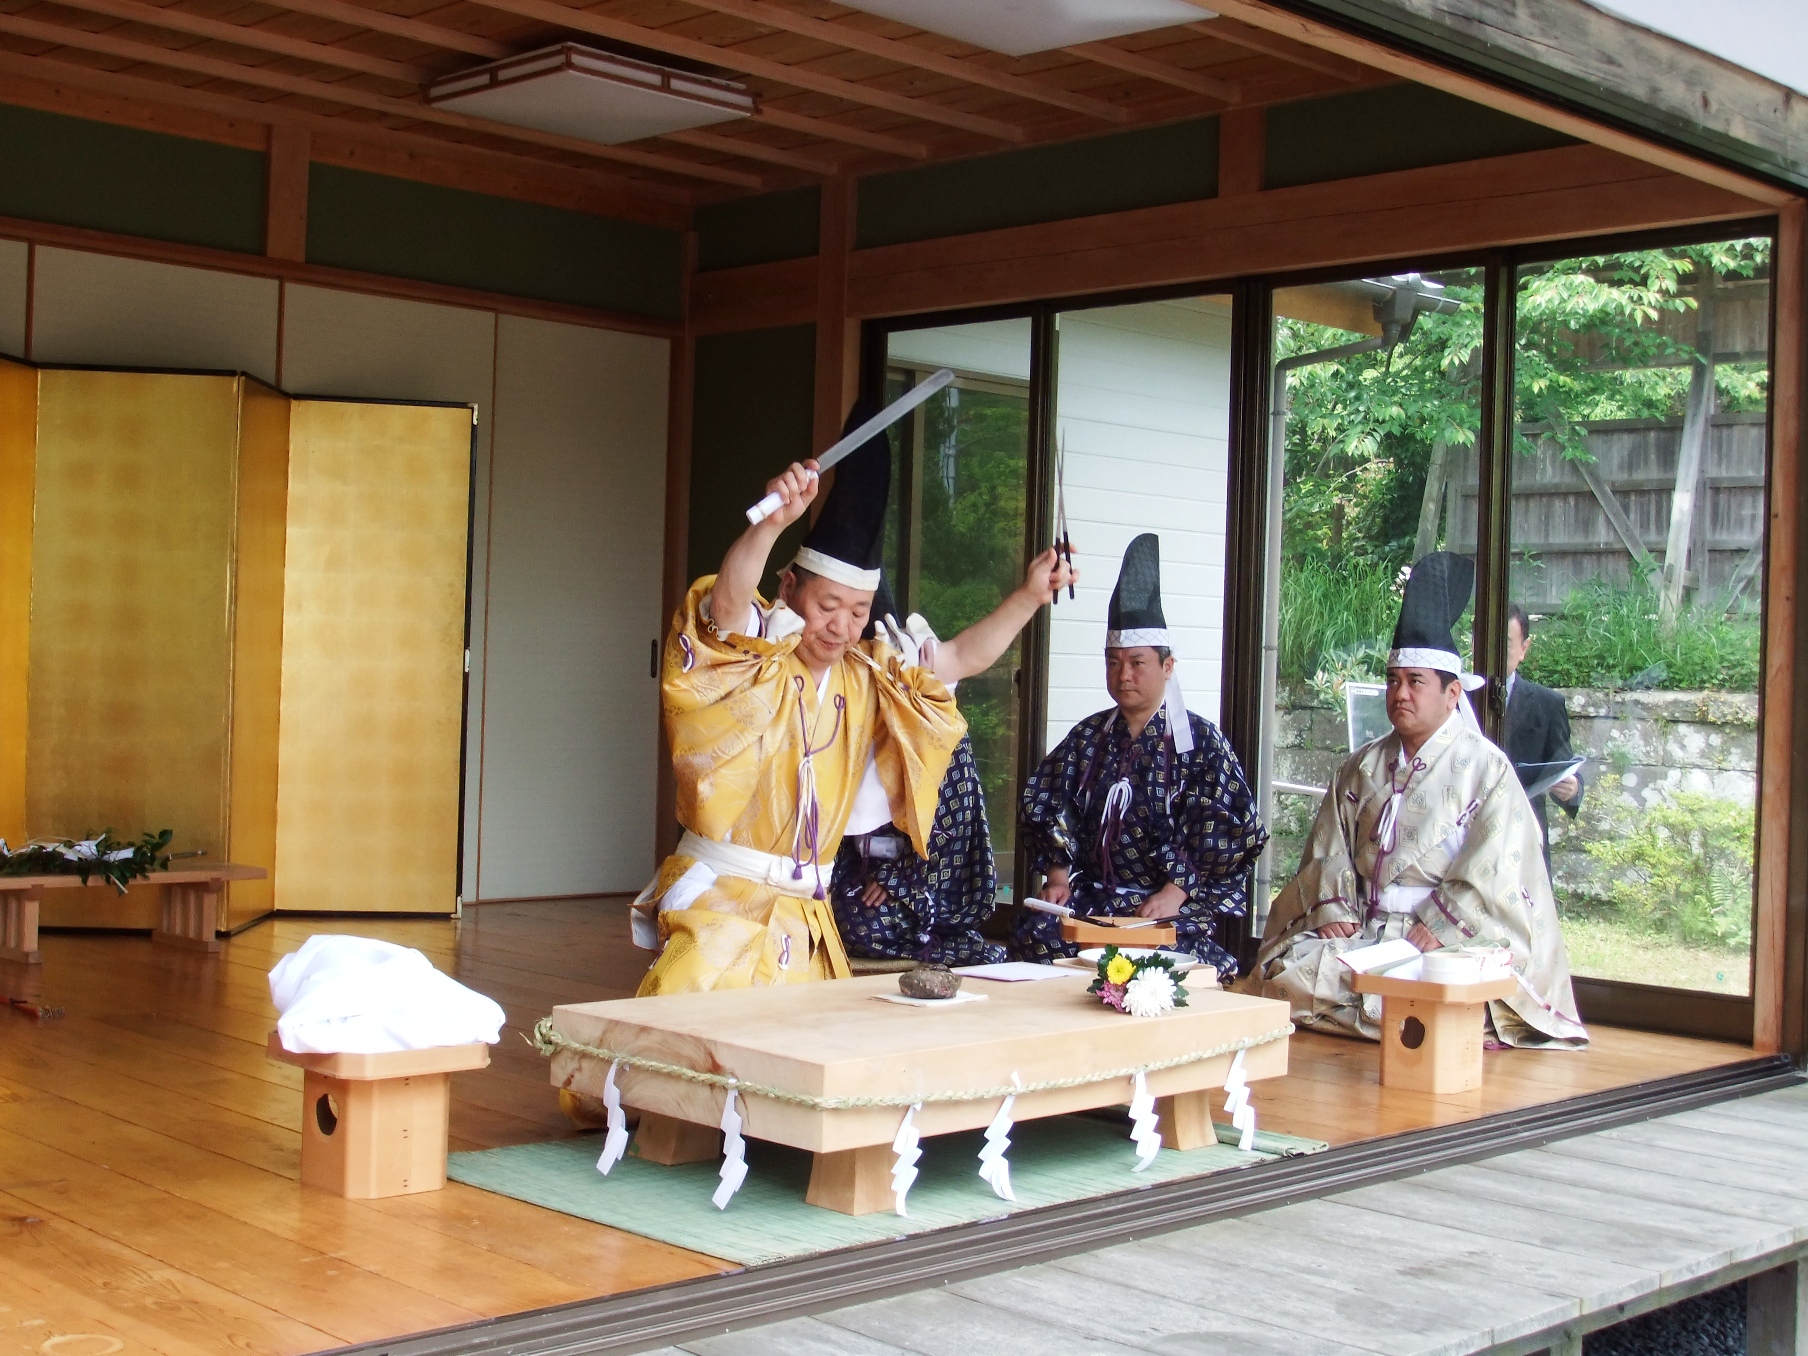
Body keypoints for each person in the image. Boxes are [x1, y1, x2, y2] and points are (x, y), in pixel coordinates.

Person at [632, 401, 1074, 995]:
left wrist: (1028, 595)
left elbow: (961, 659)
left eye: (858, 611)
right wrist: (770, 525)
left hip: (807, 916)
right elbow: (727, 610)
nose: (841, 626)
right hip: (720, 904)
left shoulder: (870, 672)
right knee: (680, 1056)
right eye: (827, 606)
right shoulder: (753, 652)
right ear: (789, 587)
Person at [1250, 553, 1587, 1048]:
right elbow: (1329, 848)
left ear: (1453, 695)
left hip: (1445, 937)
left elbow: (1499, 864)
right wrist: (1334, 905)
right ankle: (1406, 1020)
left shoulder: (1487, 769)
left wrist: (1443, 919)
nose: (1400, 694)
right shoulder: (1360, 765)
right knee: (1282, 970)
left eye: (1415, 682)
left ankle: (1383, 1014)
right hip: (1366, 929)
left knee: (1453, 979)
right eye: (1393, 681)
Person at [1010, 534, 1267, 980]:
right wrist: (1057, 877)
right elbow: (1053, 806)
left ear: (1168, 667)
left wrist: (1177, 890)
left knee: (1163, 962)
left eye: (1137, 662)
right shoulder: (1088, 736)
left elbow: (1229, 829)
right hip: (1090, 898)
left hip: (1161, 905)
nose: (1123, 674)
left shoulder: (1202, 744)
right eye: (1112, 662)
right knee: (1040, 939)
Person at [830, 583, 1007, 967]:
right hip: (855, 866)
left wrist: (896, 879)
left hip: (922, 876)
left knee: (862, 926)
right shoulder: (839, 714)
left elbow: (952, 827)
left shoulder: (931, 724)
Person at [1502, 602, 1583, 870]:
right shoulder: (1454, 698)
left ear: (1524, 649)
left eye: (1507, 644)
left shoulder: (1547, 704)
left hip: (1523, 840)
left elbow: (1563, 765)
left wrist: (1571, 788)